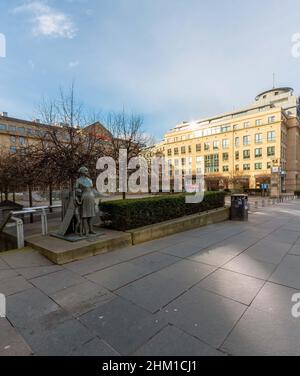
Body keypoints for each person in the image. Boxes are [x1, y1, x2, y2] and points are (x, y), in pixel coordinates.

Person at [75, 166, 96, 236]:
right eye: (86, 171)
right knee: (85, 215)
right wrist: (78, 190)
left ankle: (91, 230)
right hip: (84, 198)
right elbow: (76, 189)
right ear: (82, 172)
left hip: (91, 197)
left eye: (87, 171)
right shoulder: (78, 180)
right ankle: (86, 231)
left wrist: (94, 200)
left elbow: (92, 190)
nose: (87, 172)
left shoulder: (90, 180)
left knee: (91, 215)